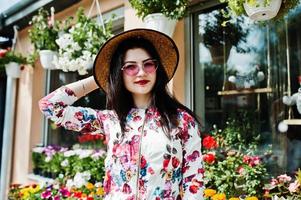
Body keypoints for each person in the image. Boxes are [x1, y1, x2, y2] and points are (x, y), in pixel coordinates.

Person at [39, 29, 204, 200]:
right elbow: (50, 106)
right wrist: (100, 77)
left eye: (148, 64)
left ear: (157, 69)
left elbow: (194, 182)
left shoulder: (182, 121)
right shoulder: (110, 120)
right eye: (130, 67)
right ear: (119, 73)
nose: (141, 72)